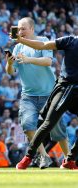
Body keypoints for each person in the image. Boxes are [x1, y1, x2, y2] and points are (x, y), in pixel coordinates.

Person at [6, 17, 69, 169]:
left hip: (50, 93)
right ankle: (44, 156)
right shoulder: (17, 48)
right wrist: (8, 63)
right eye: (18, 29)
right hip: (28, 95)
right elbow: (10, 72)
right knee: (27, 125)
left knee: (58, 130)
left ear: (32, 29)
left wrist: (28, 59)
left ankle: (69, 159)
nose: (20, 32)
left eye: (23, 29)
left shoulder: (43, 40)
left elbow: (48, 61)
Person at [15, 33, 78, 170]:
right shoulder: (70, 41)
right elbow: (43, 45)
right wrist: (21, 40)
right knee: (49, 122)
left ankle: (70, 160)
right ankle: (29, 156)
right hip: (65, 88)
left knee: (49, 123)